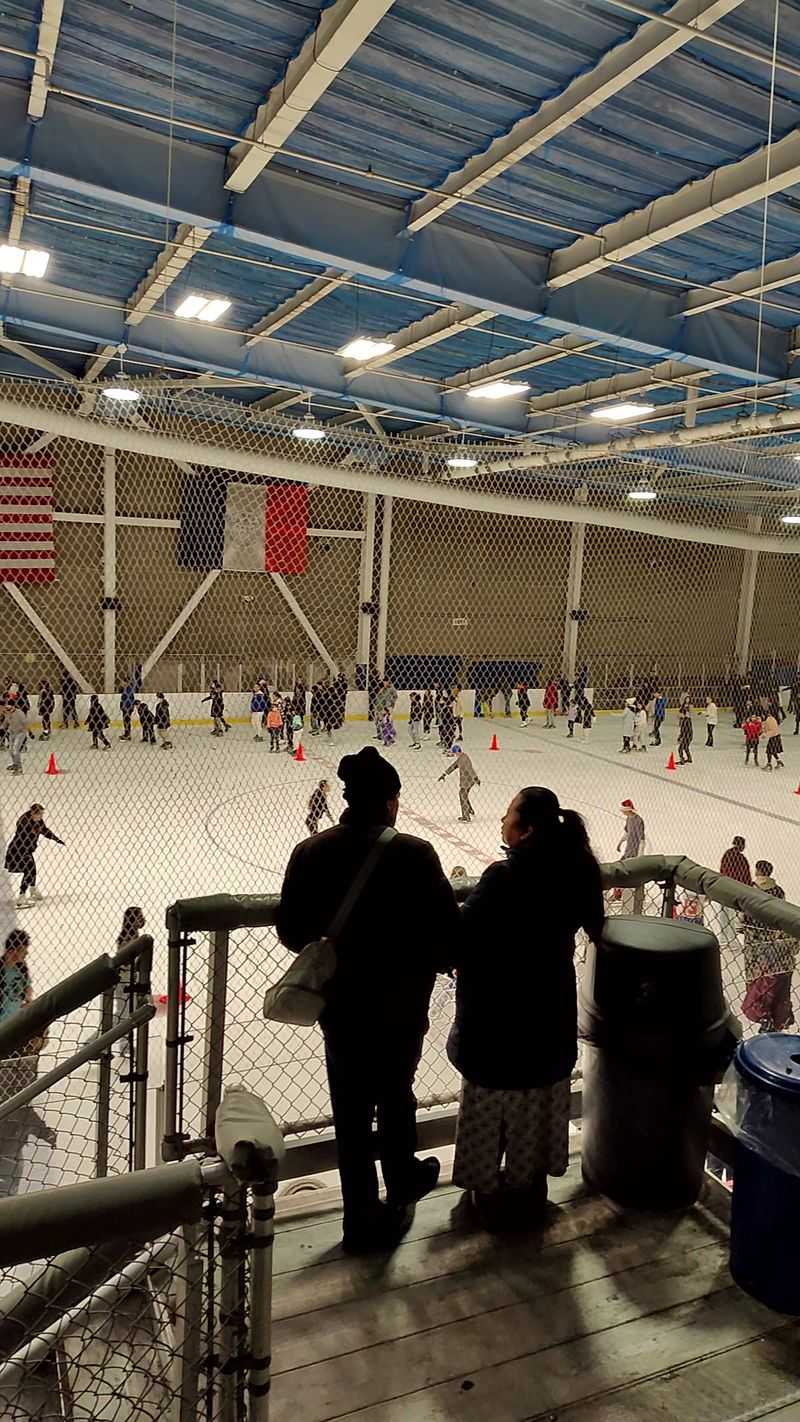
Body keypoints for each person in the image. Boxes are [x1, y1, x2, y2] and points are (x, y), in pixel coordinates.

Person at [276, 746, 460, 1253]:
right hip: (403, 1003)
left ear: (348, 797)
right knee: (398, 1092)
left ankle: (359, 1216)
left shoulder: (310, 852)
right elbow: (448, 935)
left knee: (351, 1110)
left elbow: (291, 931)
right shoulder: (416, 854)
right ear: (391, 801)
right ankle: (401, 1180)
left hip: (343, 1006)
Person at [448, 786, 604, 1227]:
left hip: (496, 1019)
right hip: (548, 1015)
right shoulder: (577, 869)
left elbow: (460, 936)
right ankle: (529, 1190)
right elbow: (595, 925)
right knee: (535, 1105)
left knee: (491, 1107)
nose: (502, 821)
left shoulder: (503, 877)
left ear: (527, 829)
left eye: (508, 814)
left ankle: (486, 1194)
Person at [741, 862, 796, 1032]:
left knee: (755, 973)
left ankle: (758, 1007)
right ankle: (770, 1011)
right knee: (770, 974)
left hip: (753, 936)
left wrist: (742, 925)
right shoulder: (778, 891)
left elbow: (743, 910)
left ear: (758, 871)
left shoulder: (750, 888)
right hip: (771, 936)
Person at [4, 804, 64, 908]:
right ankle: (21, 897)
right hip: (18, 851)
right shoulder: (24, 822)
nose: (41, 816)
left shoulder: (38, 821)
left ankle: (32, 889)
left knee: (33, 870)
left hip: (27, 851)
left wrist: (56, 839)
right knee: (29, 871)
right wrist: (26, 852)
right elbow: (24, 837)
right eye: (39, 814)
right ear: (32, 813)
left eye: (42, 814)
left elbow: (44, 830)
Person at [114, 906, 146, 1051]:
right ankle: (94, 1041)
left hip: (131, 979)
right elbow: (125, 961)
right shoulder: (128, 939)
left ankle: (125, 1045)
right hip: (125, 981)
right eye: (139, 917)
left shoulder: (135, 937)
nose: (143, 920)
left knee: (126, 1014)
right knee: (123, 1015)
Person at [718, 836, 751, 948]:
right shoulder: (741, 859)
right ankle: (731, 939)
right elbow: (745, 876)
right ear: (742, 845)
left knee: (724, 914)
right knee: (732, 916)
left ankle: (723, 938)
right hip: (736, 890)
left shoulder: (727, 855)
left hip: (725, 887)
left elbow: (723, 871)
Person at [439, 744, 481, 822]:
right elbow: (453, 766)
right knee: (464, 795)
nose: (455, 755)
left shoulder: (464, 759)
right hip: (467, 780)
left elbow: (470, 769)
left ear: (457, 752)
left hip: (467, 781)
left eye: (455, 753)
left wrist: (475, 778)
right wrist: (444, 774)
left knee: (462, 795)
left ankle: (466, 816)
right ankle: (470, 810)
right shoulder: (461, 758)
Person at [3, 697, 28, 775]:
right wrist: (2, 727)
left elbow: (25, 723)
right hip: (12, 733)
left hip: (20, 733)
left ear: (13, 707)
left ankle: (19, 768)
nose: (8, 710)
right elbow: (6, 722)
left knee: (15, 750)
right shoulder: (7, 713)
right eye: (7, 708)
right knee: (10, 750)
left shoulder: (19, 713)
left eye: (9, 708)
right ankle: (15, 764)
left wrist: (29, 732)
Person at [118, 666, 142, 741]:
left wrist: (125, 707)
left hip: (127, 708)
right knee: (126, 721)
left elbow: (128, 699)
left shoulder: (128, 689)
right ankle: (127, 733)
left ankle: (127, 734)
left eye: (123, 682)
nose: (122, 683)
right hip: (126, 707)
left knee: (127, 721)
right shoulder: (126, 689)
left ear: (126, 682)